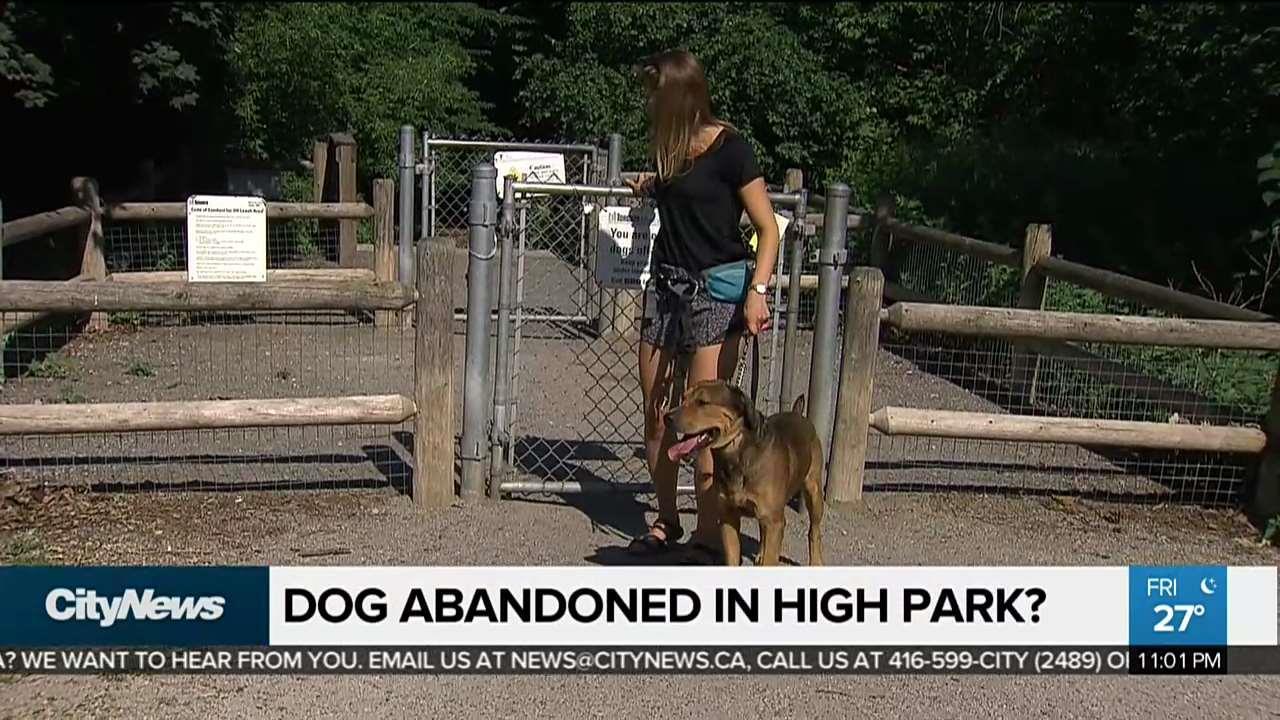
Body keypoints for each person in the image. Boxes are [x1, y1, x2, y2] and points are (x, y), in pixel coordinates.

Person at [624, 49, 780, 564]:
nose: (649, 105)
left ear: (679, 96)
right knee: (659, 416)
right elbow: (679, 195)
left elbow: (767, 230)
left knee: (701, 416)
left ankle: (709, 532)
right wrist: (649, 184)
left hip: (716, 291)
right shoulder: (669, 150)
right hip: (665, 288)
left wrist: (757, 293)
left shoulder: (732, 150)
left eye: (655, 95)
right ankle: (667, 519)